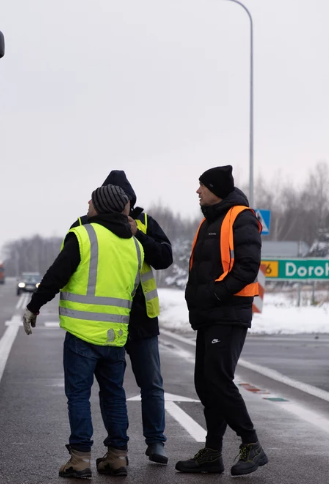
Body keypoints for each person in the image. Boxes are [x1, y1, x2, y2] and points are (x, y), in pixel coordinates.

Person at [23, 185, 143, 479]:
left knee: (78, 396)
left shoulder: (84, 236)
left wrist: (34, 306)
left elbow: (56, 276)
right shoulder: (136, 246)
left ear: (101, 206)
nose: (88, 204)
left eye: (92, 200)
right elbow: (132, 290)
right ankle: (117, 457)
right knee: (114, 396)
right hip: (115, 336)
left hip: (81, 334)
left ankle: (80, 460)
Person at [69, 171, 173, 464]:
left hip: (140, 320)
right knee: (109, 389)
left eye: (127, 200)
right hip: (103, 321)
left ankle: (156, 442)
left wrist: (138, 234)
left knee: (151, 383)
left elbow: (165, 257)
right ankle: (114, 450)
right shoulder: (84, 225)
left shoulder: (146, 222)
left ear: (132, 202)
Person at [176, 165, 268, 477]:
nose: (198, 191)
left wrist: (215, 295)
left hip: (228, 314)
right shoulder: (209, 222)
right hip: (209, 315)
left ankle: (251, 444)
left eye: (202, 186)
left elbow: (247, 267)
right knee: (206, 382)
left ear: (217, 188)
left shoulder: (241, 217)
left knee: (217, 378)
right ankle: (212, 453)